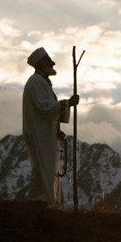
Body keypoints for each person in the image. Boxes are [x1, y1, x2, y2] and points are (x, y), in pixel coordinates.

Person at [22, 47, 79, 207]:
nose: (52, 63)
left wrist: (56, 130)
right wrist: (68, 103)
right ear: (41, 64)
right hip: (39, 132)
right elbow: (44, 107)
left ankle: (42, 200)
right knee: (42, 166)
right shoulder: (36, 82)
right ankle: (37, 201)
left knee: (45, 166)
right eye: (48, 61)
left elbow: (46, 109)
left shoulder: (41, 82)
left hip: (43, 131)